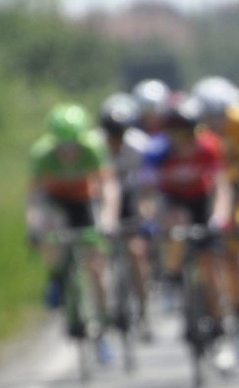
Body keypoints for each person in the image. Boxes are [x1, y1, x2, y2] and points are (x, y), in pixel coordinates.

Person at [141, 96, 234, 356]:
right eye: (175, 132)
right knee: (176, 223)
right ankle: (172, 278)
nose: (182, 138)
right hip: (174, 203)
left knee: (210, 269)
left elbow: (221, 187)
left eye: (187, 131)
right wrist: (149, 218)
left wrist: (220, 217)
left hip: (202, 202)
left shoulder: (209, 146)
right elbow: (148, 193)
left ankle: (219, 326)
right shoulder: (157, 151)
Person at [27, 103, 120, 363]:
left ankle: (102, 327)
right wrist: (33, 227)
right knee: (50, 231)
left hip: (84, 202)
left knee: (97, 267)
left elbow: (109, 187)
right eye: (63, 146)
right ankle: (56, 276)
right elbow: (34, 198)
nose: (68, 152)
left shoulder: (93, 147)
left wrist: (107, 220)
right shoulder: (42, 153)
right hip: (56, 202)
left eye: (74, 146)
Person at [194, 76, 239, 359]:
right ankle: (211, 312)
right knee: (205, 261)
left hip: (234, 190)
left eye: (219, 117)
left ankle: (238, 316)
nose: (215, 123)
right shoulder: (193, 129)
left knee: (235, 258)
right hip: (204, 193)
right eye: (209, 118)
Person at [98, 93, 154, 341]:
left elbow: (149, 185)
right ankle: (104, 312)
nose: (115, 140)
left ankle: (143, 309)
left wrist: (147, 212)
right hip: (102, 199)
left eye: (120, 134)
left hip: (132, 197)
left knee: (136, 251)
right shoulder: (96, 146)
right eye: (111, 134)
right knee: (97, 256)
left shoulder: (141, 145)